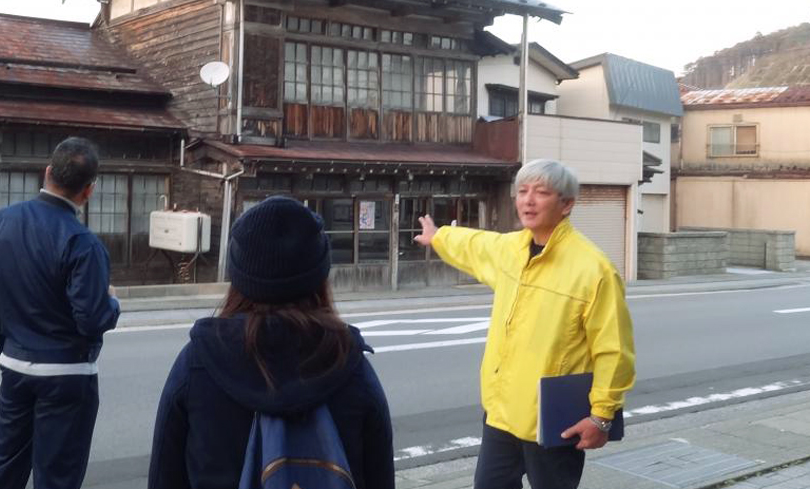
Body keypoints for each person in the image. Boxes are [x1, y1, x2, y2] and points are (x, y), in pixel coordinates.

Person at [413, 159, 635, 489]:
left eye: (541, 192)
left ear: (567, 204)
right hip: (501, 412)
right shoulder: (511, 248)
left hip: (555, 417)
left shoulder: (594, 269)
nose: (528, 200)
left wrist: (601, 416)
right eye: (522, 191)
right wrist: (439, 237)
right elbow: (475, 244)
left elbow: (613, 350)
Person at [148, 195, 395, 489]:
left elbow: (164, 474)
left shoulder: (198, 363)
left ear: (238, 277)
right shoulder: (349, 366)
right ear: (320, 278)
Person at [0, 136, 120, 489]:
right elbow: (92, 319)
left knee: (4, 466)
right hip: (68, 374)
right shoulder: (82, 243)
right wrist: (113, 302)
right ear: (88, 191)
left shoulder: (1, 222)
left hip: (15, 365)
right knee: (57, 478)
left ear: (47, 172)